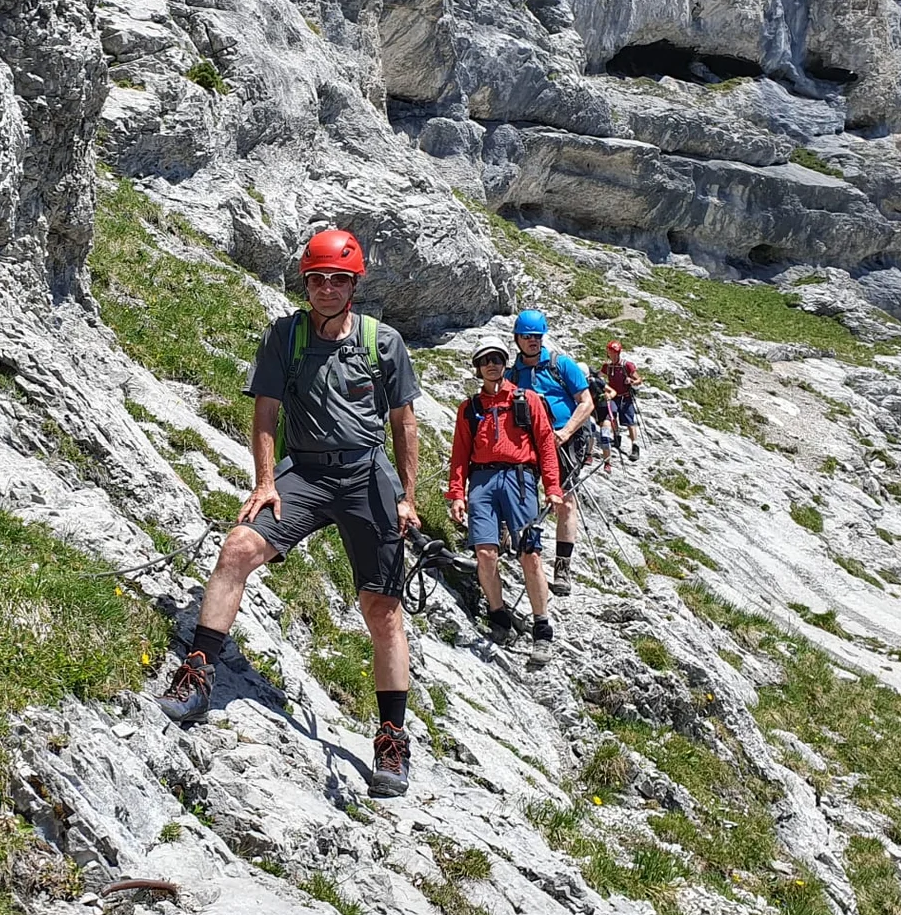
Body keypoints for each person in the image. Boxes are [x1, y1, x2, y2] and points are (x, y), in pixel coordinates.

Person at [153, 229, 423, 798]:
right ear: (306, 281)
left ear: (355, 285)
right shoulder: (285, 336)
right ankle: (199, 670)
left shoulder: (384, 343)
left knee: (383, 609)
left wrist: (406, 497)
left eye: (338, 280)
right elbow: (266, 411)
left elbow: (404, 423)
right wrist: (265, 481)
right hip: (306, 471)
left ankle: (392, 739)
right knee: (236, 550)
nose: (327, 288)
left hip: (366, 475)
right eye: (318, 278)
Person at [443, 337, 564, 665]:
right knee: (485, 551)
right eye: (485, 361)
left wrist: (552, 487)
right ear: (478, 368)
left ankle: (542, 628)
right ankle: (499, 617)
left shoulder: (527, 400)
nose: (492, 364)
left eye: (496, 358)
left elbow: (545, 445)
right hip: (481, 482)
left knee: (531, 555)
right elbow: (459, 455)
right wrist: (456, 493)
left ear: (504, 362)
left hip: (520, 480)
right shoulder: (469, 409)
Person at [506, 310, 593, 598]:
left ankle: (562, 567)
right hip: (530, 441)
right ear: (517, 338)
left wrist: (565, 433)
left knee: (565, 499)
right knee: (520, 491)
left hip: (564, 439)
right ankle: (517, 542)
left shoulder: (561, 365)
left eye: (537, 337)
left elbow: (586, 402)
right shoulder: (512, 374)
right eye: (527, 337)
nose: (533, 341)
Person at [603, 340, 642, 462]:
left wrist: (632, 381)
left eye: (614, 352)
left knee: (630, 421)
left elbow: (639, 380)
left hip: (626, 397)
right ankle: (616, 437)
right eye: (610, 351)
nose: (612, 354)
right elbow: (599, 375)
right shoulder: (607, 366)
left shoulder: (627, 365)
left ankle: (635, 446)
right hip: (614, 396)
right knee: (612, 416)